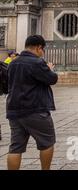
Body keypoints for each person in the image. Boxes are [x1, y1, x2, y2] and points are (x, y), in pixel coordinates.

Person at [6, 35, 58, 170]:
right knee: (47, 143)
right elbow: (52, 79)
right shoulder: (37, 62)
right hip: (35, 109)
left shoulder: (13, 63)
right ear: (39, 47)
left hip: (14, 110)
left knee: (15, 148)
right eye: (43, 50)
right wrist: (50, 69)